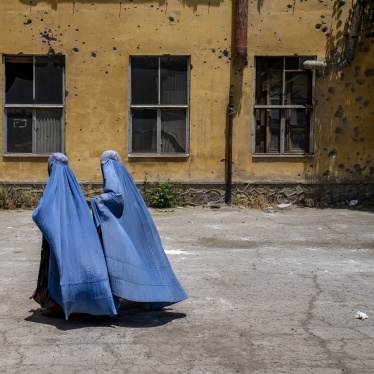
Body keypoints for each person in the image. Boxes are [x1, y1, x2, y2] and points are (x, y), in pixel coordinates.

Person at [90, 150, 188, 309]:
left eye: (103, 165)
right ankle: (158, 295)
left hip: (120, 227)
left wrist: (97, 200)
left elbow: (116, 196)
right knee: (142, 257)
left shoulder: (110, 168)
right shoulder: (124, 175)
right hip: (134, 224)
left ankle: (119, 298)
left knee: (119, 258)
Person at [31, 153, 118, 319]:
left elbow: (41, 213)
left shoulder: (55, 185)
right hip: (74, 238)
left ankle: (55, 305)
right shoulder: (72, 184)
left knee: (55, 267)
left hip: (56, 238)